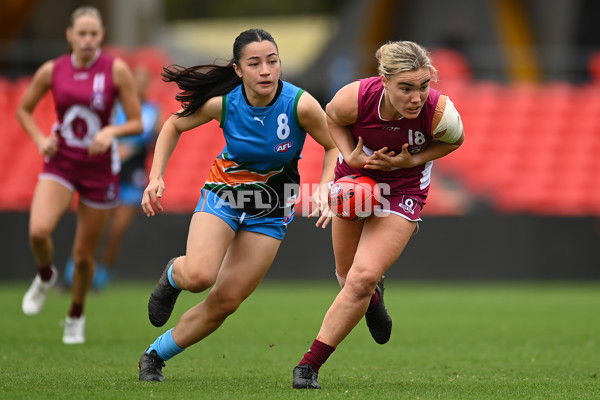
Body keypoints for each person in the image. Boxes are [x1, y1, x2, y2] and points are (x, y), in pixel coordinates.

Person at [137, 28, 338, 382]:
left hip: (273, 208)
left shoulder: (300, 104)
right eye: (255, 63)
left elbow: (333, 146)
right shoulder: (224, 103)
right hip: (224, 194)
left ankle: (155, 354)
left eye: (272, 62)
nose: (265, 70)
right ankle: (174, 274)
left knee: (225, 303)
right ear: (238, 69)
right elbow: (172, 125)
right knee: (199, 276)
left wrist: (324, 189)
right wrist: (155, 177)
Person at [292, 40, 465, 389]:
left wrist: (412, 160)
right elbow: (332, 118)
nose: (416, 97)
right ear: (384, 82)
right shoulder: (354, 98)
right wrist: (349, 155)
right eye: (406, 88)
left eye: (423, 86)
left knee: (360, 277)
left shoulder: (439, 111)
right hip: (355, 179)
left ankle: (308, 366)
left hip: (403, 190)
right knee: (346, 277)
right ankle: (373, 301)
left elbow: (455, 140)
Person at [16, 6, 142, 344]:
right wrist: (42, 139)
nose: (87, 39)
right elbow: (23, 109)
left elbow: (137, 122)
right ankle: (45, 276)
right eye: (81, 33)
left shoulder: (115, 70)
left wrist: (111, 132)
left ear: (101, 36)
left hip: (100, 169)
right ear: (70, 36)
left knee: (84, 255)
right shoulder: (52, 70)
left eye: (93, 34)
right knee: (39, 231)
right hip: (61, 162)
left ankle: (76, 313)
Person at [64, 64, 160, 289]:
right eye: (135, 82)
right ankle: (74, 272)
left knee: (116, 231)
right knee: (94, 227)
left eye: (143, 83)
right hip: (108, 172)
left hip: (133, 175)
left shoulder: (153, 111)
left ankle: (102, 274)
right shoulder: (115, 108)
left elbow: (146, 139)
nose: (139, 87)